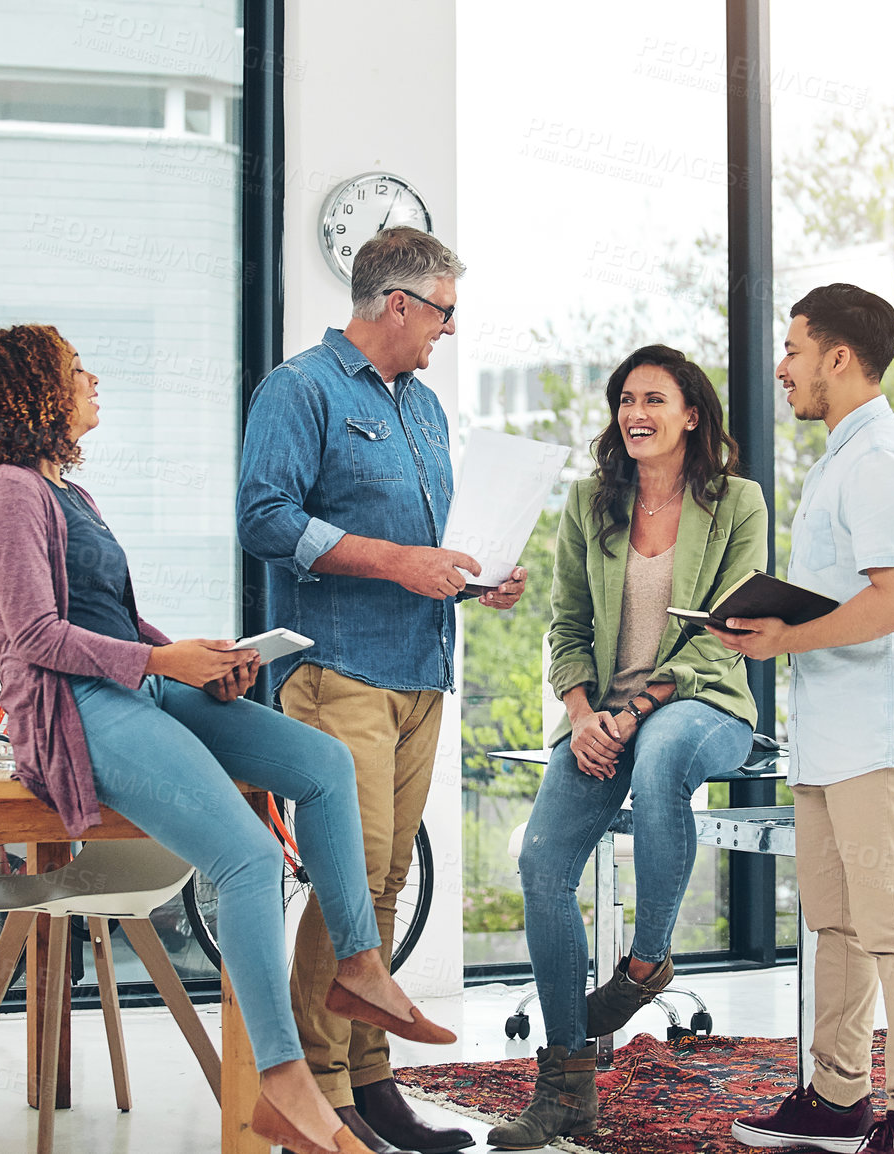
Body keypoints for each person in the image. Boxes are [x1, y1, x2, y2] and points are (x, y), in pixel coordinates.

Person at [0, 324, 456, 1154]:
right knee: (248, 857)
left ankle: (359, 967)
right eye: (78, 369)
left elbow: (105, 613)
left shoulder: (67, 492)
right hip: (78, 706)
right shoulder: (6, 493)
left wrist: (196, 660)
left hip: (136, 681)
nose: (94, 378)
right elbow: (34, 636)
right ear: (32, 390)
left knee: (321, 765)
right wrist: (158, 660)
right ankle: (282, 1085)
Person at [237, 227, 526, 1154]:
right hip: (337, 672)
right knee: (345, 882)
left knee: (385, 884)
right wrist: (399, 562)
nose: (449, 328)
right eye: (442, 310)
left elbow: (431, 535)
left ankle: (372, 1082)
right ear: (396, 304)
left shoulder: (427, 409)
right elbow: (265, 517)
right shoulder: (300, 389)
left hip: (420, 671)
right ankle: (315, 1096)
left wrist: (479, 573)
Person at [487, 345, 767, 1150]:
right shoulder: (589, 503)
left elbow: (727, 635)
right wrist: (582, 714)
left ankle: (647, 964)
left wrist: (636, 707)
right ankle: (567, 1083)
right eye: (624, 400)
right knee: (542, 863)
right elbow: (567, 627)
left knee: (661, 750)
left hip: (702, 707)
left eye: (654, 399)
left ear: (690, 414)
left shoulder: (738, 504)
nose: (635, 414)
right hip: (602, 719)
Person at [714, 285, 894, 1154]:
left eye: (793, 349)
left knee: (893, 923)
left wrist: (786, 637)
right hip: (833, 733)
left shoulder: (883, 459)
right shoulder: (841, 458)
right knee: (838, 921)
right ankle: (836, 1095)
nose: (782, 366)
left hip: (881, 733)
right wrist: (779, 630)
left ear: (839, 358)